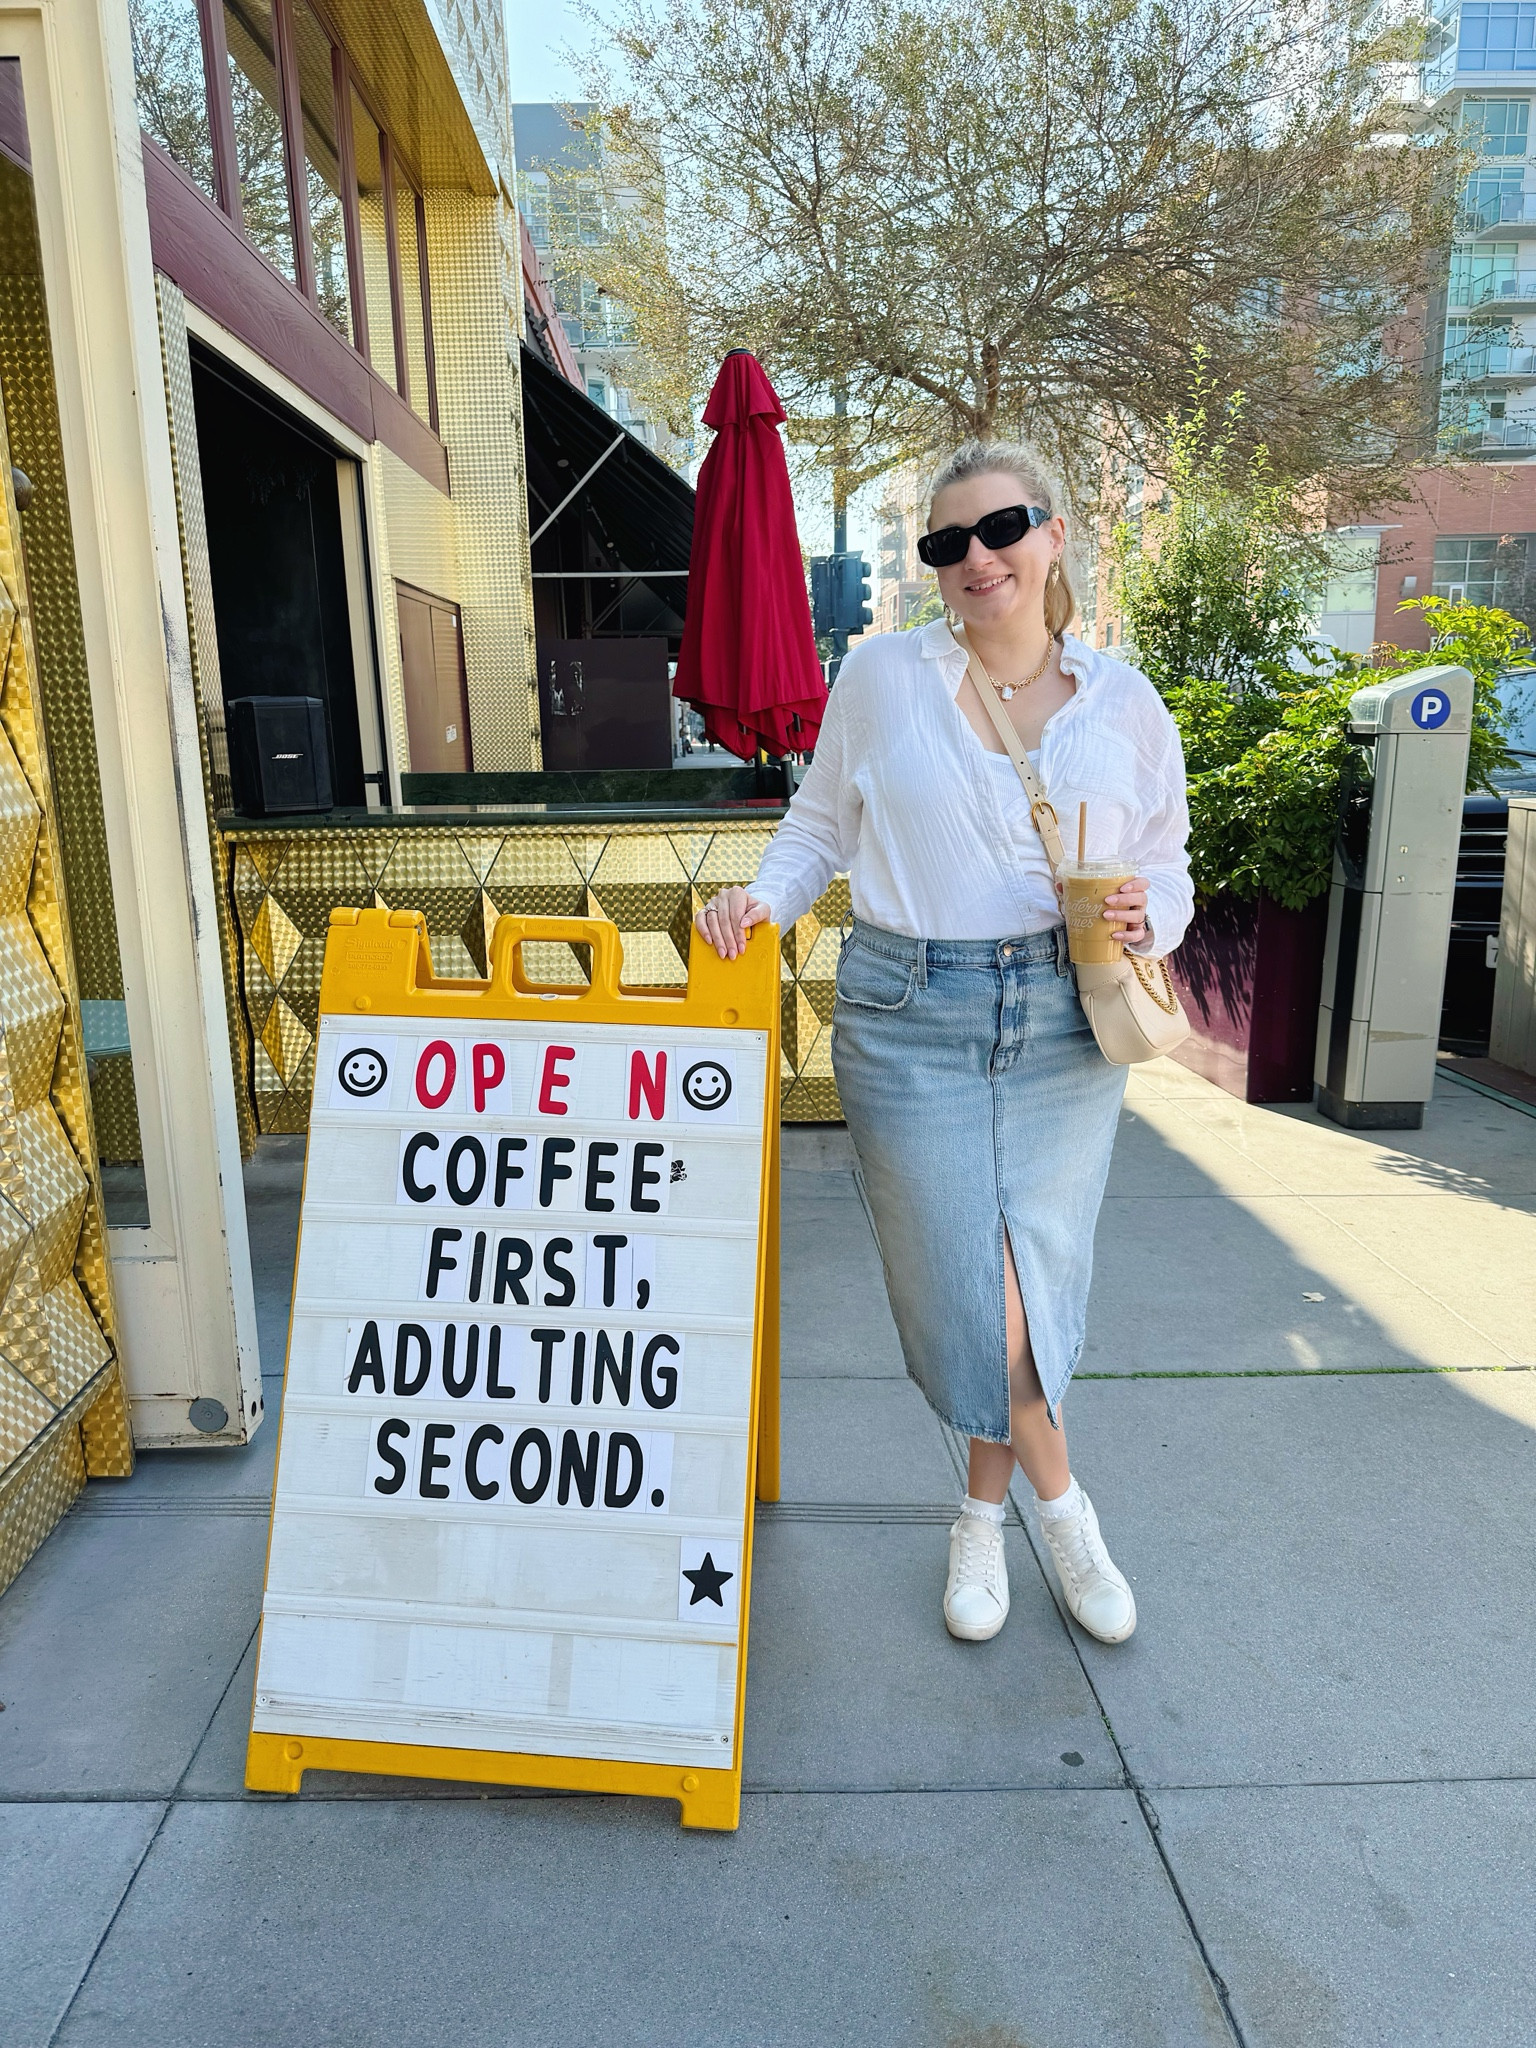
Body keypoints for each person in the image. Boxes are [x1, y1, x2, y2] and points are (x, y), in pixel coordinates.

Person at [696, 442, 1193, 1645]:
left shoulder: (1124, 703)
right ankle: (1061, 1505)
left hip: (1064, 1017)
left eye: (1002, 527)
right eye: (946, 542)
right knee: (966, 1285)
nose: (977, 559)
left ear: (1055, 533)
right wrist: (762, 899)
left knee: (1025, 1282)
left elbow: (1168, 865)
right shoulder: (881, 676)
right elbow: (818, 825)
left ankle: (987, 1516)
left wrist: (1148, 914)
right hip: (906, 1011)